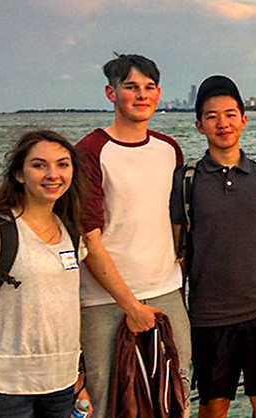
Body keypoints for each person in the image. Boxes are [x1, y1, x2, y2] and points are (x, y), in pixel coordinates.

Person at [171, 75, 256, 418]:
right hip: (209, 317)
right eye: (212, 116)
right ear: (199, 126)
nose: (222, 123)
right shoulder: (187, 180)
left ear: (244, 119)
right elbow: (177, 248)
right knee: (213, 408)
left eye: (230, 114)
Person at [0, 130, 93, 418]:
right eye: (39, 165)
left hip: (61, 386)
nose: (53, 174)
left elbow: (66, 312)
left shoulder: (71, 233)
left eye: (63, 165)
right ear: (19, 174)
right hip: (5, 388)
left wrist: (78, 381)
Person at [73, 54, 183, 418]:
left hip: (166, 289)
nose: (141, 95)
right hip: (104, 301)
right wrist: (130, 306)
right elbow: (90, 238)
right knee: (108, 400)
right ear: (111, 92)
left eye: (148, 87)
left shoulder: (169, 150)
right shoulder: (90, 151)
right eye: (130, 87)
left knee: (175, 392)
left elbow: (172, 217)